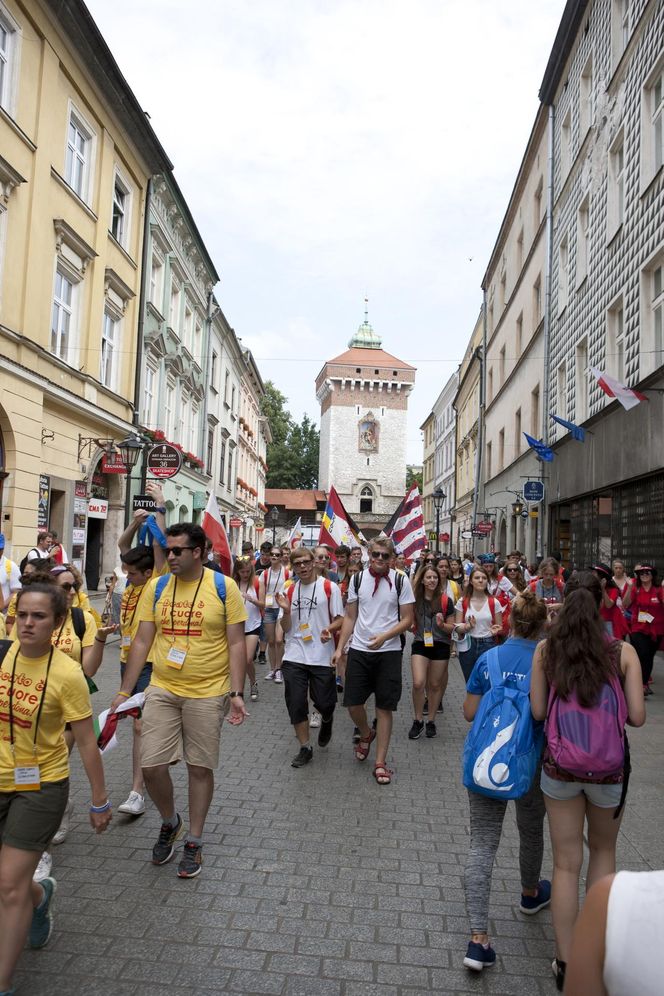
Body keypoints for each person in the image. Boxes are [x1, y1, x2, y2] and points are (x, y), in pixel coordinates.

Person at [111, 523, 248, 878]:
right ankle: (171, 822)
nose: (169, 556)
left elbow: (236, 643)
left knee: (199, 767)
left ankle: (195, 842)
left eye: (177, 551)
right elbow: (142, 641)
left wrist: (236, 693)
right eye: (167, 550)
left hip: (208, 690)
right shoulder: (156, 587)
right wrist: (124, 691)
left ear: (199, 552)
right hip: (163, 686)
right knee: (152, 765)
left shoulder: (223, 587)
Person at [530, 572, 646, 992]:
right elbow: (636, 716)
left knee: (564, 864)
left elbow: (540, 712)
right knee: (602, 852)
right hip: (609, 770)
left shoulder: (546, 650)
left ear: (563, 598)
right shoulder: (622, 652)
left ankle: (565, 961)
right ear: (602, 603)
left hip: (560, 769)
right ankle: (596, 957)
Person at [0, 584, 110, 992]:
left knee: (8, 886)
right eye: (22, 615)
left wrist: (100, 801)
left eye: (39, 617)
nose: (28, 623)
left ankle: (4, 983)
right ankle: (41, 896)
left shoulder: (68, 674)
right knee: (11, 881)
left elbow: (85, 741)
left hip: (41, 785)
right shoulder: (1, 652)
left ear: (58, 622)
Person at [462, 590, 551, 973]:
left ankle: (478, 939)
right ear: (544, 625)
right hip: (530, 762)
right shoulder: (548, 662)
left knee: (482, 843)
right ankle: (530, 893)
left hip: (485, 763)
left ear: (510, 622)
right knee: (531, 830)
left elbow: (468, 713)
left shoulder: (488, 659)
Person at [332, 536, 415, 785]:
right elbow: (350, 616)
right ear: (369, 553)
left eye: (385, 556)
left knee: (385, 707)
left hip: (388, 651)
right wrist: (339, 648)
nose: (380, 559)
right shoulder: (358, 579)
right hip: (359, 649)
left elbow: (407, 620)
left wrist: (385, 636)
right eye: (376, 554)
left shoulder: (401, 580)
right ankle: (367, 733)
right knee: (353, 704)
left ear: (392, 558)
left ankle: (380, 762)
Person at [276, 547, 344, 767]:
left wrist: (329, 629)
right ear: (293, 566)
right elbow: (286, 628)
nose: (303, 567)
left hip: (321, 655)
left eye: (306, 562)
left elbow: (341, 619)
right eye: (298, 564)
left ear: (314, 562)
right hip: (295, 653)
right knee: (296, 703)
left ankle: (326, 717)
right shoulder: (288, 590)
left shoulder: (329, 587)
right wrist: (286, 612)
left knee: (325, 702)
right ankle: (305, 747)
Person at [565, 868, 664, 995]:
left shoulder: (619, 894)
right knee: (603, 852)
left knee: (566, 867)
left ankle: (564, 960)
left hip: (610, 904)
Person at [408, 566, 455, 739]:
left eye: (435, 577)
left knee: (435, 685)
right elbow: (407, 619)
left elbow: (452, 627)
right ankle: (418, 719)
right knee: (418, 683)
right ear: (422, 580)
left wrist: (443, 625)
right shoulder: (414, 600)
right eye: (428, 577)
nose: (432, 580)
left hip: (441, 644)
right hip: (421, 643)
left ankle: (431, 721)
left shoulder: (445, 601)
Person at [454, 567, 504, 682]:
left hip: (488, 644)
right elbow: (457, 628)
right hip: (468, 646)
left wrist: (497, 630)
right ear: (471, 581)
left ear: (487, 581)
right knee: (470, 683)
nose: (481, 580)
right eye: (477, 578)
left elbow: (500, 626)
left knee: (487, 683)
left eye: (484, 578)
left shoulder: (494, 602)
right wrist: (467, 626)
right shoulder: (462, 602)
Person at [628, 564, 663, 694]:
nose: (644, 575)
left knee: (649, 657)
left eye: (647, 573)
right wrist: (629, 588)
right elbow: (626, 604)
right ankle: (637, 683)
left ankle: (643, 684)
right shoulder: (635, 589)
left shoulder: (659, 590)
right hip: (638, 627)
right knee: (642, 653)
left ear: (652, 575)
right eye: (641, 573)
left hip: (656, 630)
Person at [232, 555, 264, 702]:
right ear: (237, 572)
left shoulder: (257, 582)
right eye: (242, 572)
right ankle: (237, 689)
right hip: (237, 625)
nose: (245, 575)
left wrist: (253, 600)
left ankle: (252, 683)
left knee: (248, 659)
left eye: (247, 571)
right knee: (236, 659)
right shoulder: (232, 583)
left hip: (253, 624)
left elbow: (264, 605)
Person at [260, 546, 291, 684]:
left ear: (281, 557)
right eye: (272, 554)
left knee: (279, 640)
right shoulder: (264, 574)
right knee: (271, 641)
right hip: (269, 608)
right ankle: (272, 669)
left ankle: (280, 669)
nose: (274, 557)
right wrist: (262, 606)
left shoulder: (287, 573)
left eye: (277, 555)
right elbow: (262, 592)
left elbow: (290, 591)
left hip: (281, 610)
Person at [592, 563, 628, 640]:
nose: (593, 574)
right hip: (597, 620)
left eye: (595, 573)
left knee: (610, 646)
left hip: (610, 622)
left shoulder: (613, 590)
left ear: (601, 576)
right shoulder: (593, 588)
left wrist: (603, 589)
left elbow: (608, 605)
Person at [0, 536, 21, 616]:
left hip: (3, 616)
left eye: (0, 549)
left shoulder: (10, 566)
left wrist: (2, 606)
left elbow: (16, 592)